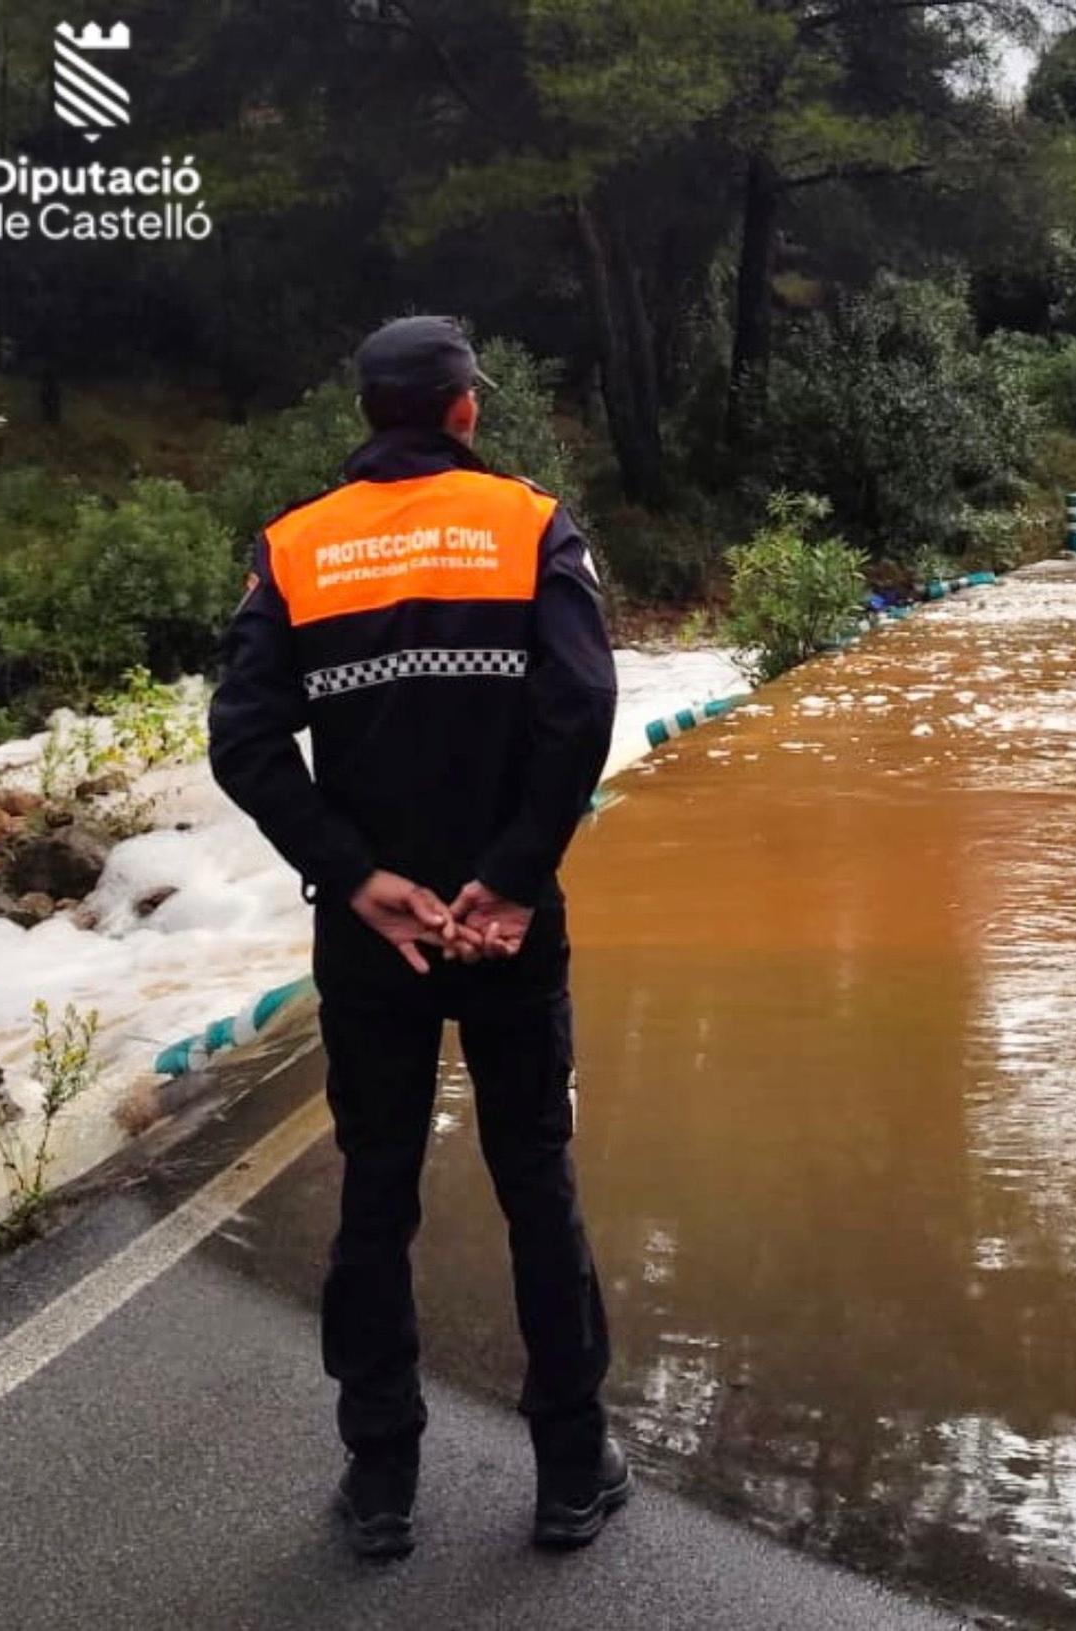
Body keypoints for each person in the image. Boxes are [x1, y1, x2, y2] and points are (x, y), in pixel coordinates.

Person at [208, 315, 626, 1560]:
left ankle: (382, 1482)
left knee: (377, 1192)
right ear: (462, 412)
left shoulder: (295, 548)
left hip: (371, 936)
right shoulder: (530, 524)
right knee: (534, 1181)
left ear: (367, 415)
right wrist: (507, 879)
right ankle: (565, 1471)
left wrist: (356, 877)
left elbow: (242, 738)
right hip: (506, 930)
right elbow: (583, 700)